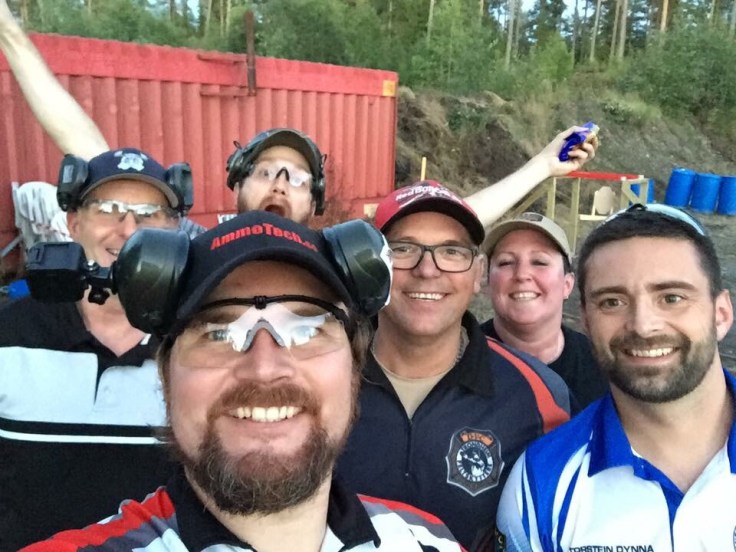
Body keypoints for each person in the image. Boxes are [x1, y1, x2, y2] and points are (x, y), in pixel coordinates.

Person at [24, 210, 462, 551]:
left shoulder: (431, 543)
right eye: (218, 333)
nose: (264, 368)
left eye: (306, 329)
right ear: (165, 375)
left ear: (355, 365)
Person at [0, 0, 597, 230]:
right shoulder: (189, 251)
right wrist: (12, 38)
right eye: (265, 172)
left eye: (298, 178)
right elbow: (93, 151)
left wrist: (542, 165)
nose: (281, 183)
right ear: (236, 187)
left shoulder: (338, 258)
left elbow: (452, 220)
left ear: (315, 203)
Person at [336, 180, 573, 549]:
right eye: (403, 249)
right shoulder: (320, 379)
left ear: (478, 273)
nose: (427, 270)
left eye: (451, 251)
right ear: (373, 267)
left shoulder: (537, 396)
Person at [493, 204, 736, 551]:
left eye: (671, 298)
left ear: (721, 313)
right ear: (586, 321)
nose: (643, 325)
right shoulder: (540, 481)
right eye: (612, 302)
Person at [0, 148, 191, 548]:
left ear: (173, 229)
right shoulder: (10, 331)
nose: (128, 229)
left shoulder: (196, 345)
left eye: (148, 213)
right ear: (74, 223)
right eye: (108, 209)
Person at [481, 212, 607, 409]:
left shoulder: (603, 364)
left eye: (539, 262)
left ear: (567, 285)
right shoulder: (459, 359)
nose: (522, 274)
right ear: (488, 282)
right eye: (506, 262)